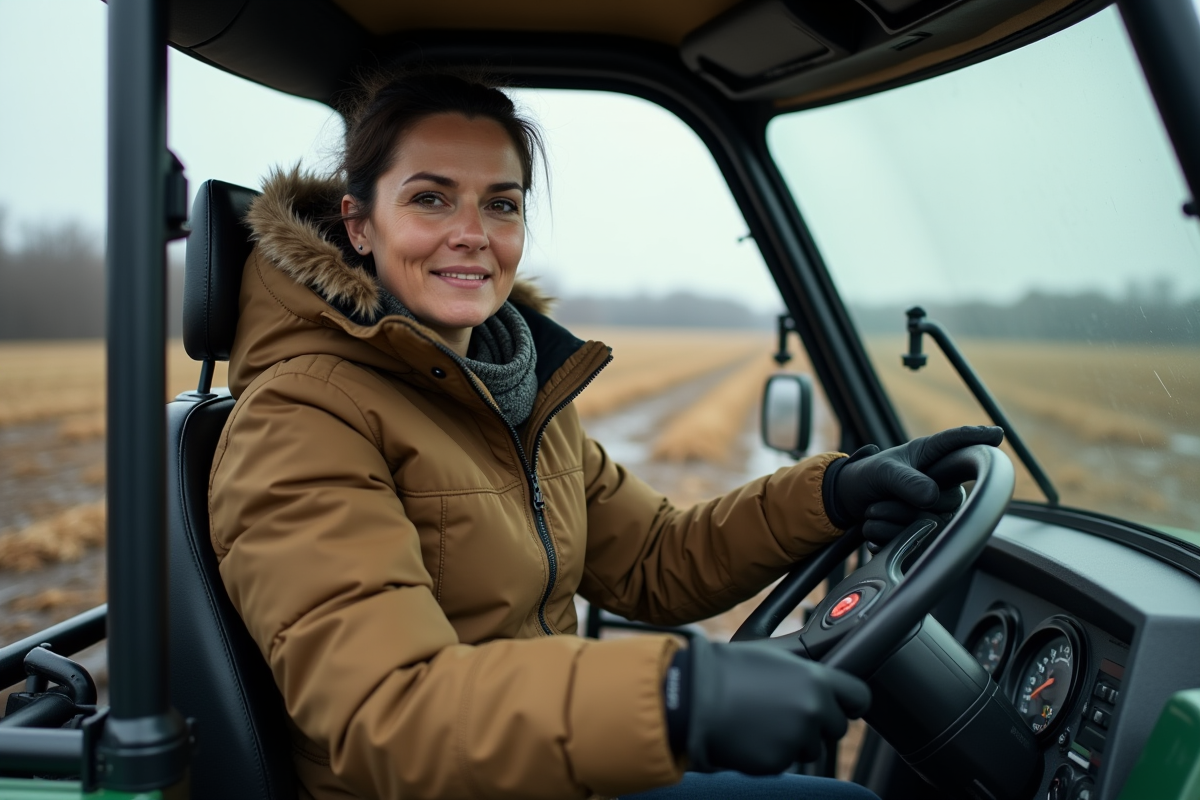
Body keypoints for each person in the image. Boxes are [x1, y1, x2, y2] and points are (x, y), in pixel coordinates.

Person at [208, 71, 1003, 800]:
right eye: (430, 199)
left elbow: (654, 558)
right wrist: (675, 696)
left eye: (502, 203)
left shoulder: (507, 387)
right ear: (359, 225)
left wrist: (830, 493)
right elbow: (388, 708)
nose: (472, 233)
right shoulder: (303, 417)